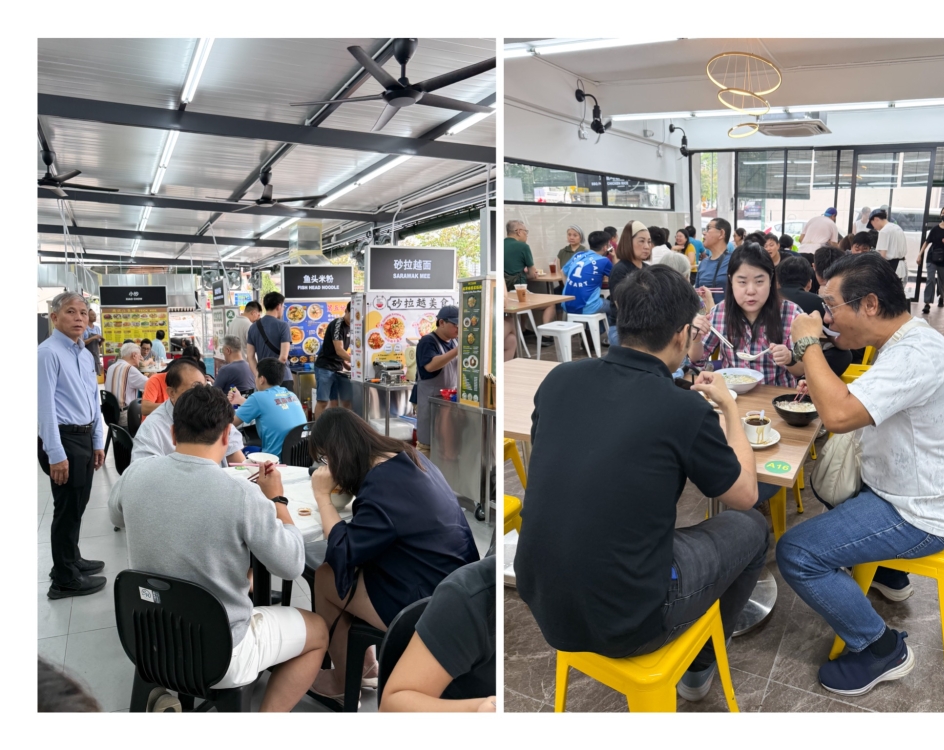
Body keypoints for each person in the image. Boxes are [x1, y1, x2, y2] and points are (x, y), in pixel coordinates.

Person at [515, 265, 767, 701]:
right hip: (632, 621)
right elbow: (745, 495)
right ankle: (699, 666)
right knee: (755, 528)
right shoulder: (683, 408)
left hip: (541, 599)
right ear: (681, 335)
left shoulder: (559, 379)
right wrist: (728, 407)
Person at [777, 253, 944, 697]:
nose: (826, 317)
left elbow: (839, 416)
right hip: (910, 487)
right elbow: (865, 398)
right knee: (832, 486)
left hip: (918, 513)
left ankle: (882, 648)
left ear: (871, 304)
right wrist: (820, 379)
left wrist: (808, 344)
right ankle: (890, 575)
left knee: (796, 552)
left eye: (830, 305)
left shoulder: (915, 355)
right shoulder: (906, 340)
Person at [109, 385, 328, 711]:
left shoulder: (135, 474)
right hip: (220, 652)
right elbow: (292, 564)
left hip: (149, 638)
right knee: (318, 631)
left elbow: (116, 515)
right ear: (227, 435)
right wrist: (278, 500)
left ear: (173, 433)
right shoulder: (241, 495)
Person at [307, 408, 479, 703]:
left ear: (338, 452)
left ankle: (342, 681)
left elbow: (342, 551)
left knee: (327, 577)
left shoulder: (382, 486)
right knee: (352, 571)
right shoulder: (407, 456)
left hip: (429, 605)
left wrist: (322, 497)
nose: (326, 466)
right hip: (458, 587)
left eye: (325, 458)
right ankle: (365, 666)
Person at [38, 291, 107, 599]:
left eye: (82, 312)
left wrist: (97, 441)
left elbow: (93, 400)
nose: (79, 317)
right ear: (54, 317)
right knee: (66, 509)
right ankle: (64, 579)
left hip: (84, 437)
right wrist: (55, 454)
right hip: (63, 439)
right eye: (70, 312)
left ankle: (71, 559)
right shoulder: (47, 353)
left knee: (78, 504)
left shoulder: (84, 353)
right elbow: (44, 408)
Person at [380, 556, 496, 712]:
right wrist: (478, 709)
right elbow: (390, 708)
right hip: (428, 591)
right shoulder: (467, 598)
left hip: (422, 585)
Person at [688, 244, 805, 388]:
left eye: (759, 281)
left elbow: (803, 370)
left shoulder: (792, 314)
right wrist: (696, 338)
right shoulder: (720, 312)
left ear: (771, 279)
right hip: (731, 395)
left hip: (776, 396)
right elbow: (697, 359)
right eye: (742, 282)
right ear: (731, 280)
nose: (751, 291)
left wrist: (789, 358)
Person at [132, 358, 246, 465]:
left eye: (203, 388)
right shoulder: (152, 428)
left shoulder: (214, 413)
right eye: (193, 390)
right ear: (172, 393)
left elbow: (238, 460)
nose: (201, 396)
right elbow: (141, 472)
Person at [777, 256, 851, 378]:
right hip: (799, 362)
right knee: (844, 354)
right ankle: (811, 381)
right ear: (809, 283)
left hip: (774, 359)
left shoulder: (770, 300)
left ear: (777, 282)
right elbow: (835, 337)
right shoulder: (817, 301)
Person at [228, 358, 307, 458]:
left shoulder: (257, 398)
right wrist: (240, 400)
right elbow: (267, 406)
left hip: (274, 460)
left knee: (236, 449)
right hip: (301, 457)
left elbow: (229, 424)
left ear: (262, 379)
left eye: (256, 375)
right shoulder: (291, 395)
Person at [414, 306, 459, 453]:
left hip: (447, 402)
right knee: (427, 444)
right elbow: (431, 366)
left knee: (443, 445)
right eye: (455, 324)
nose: (458, 329)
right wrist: (457, 351)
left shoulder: (455, 342)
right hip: (428, 400)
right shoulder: (427, 341)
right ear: (441, 322)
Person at [503, 220, 556, 332]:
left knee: (522, 304)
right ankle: (546, 335)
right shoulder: (523, 247)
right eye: (525, 231)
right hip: (518, 293)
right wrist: (526, 274)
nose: (526, 234)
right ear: (518, 232)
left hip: (504, 295)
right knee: (551, 304)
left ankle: (523, 330)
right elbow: (532, 274)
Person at [607, 221, 652, 346]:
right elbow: (622, 307)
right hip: (623, 330)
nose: (647, 246)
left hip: (647, 327)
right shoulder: (620, 270)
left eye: (649, 242)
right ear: (628, 242)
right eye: (641, 241)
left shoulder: (648, 269)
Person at [562, 230, 613, 318]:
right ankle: (603, 327)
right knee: (617, 308)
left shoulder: (578, 255)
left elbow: (562, 271)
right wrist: (614, 256)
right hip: (587, 306)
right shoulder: (604, 260)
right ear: (605, 247)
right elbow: (618, 276)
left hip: (566, 304)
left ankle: (594, 327)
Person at [247, 292, 293, 389]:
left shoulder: (253, 327)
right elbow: (283, 357)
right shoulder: (283, 326)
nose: (283, 309)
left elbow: (250, 356)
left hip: (263, 380)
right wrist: (274, 376)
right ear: (278, 306)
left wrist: (258, 375)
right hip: (282, 377)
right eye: (283, 306)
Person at [314, 301, 352, 418]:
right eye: (353, 314)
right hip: (325, 367)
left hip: (337, 369)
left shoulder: (352, 327)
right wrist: (356, 362)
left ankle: (332, 427)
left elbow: (340, 353)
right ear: (346, 311)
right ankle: (318, 428)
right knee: (323, 402)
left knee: (335, 403)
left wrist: (346, 364)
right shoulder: (338, 324)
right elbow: (339, 350)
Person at [917, 207, 944, 314]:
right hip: (932, 257)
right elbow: (927, 242)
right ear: (940, 215)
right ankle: (927, 303)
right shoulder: (935, 229)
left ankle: (941, 297)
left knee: (942, 280)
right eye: (943, 213)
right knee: (930, 279)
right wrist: (920, 255)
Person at [105, 342, 149, 425]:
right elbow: (150, 385)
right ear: (134, 355)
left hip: (110, 413)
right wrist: (153, 376)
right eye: (140, 355)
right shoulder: (129, 369)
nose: (141, 358)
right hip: (124, 416)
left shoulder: (111, 367)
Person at [695, 217, 733, 304]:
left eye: (708, 228)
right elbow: (697, 293)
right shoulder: (703, 263)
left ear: (721, 233)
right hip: (706, 312)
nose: (704, 233)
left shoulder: (733, 261)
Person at [868, 208, 907, 276]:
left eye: (872, 224)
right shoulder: (897, 227)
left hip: (892, 267)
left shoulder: (884, 231)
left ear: (876, 219)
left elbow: (882, 256)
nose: (874, 228)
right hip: (902, 267)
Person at [83, 308, 104, 377]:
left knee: (95, 375)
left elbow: (98, 345)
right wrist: (93, 338)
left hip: (96, 355)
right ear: (87, 316)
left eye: (95, 315)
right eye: (92, 315)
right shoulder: (84, 328)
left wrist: (101, 341)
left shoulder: (97, 328)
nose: (94, 317)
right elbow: (82, 343)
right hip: (86, 355)